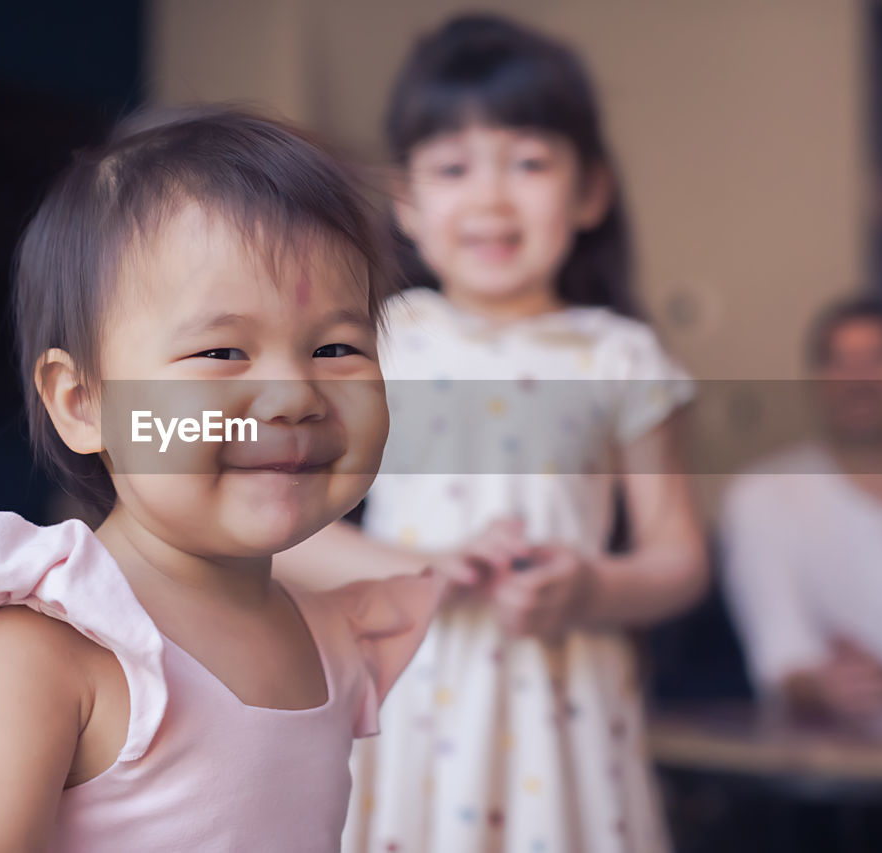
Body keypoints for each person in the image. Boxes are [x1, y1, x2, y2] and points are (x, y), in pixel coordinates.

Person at [0, 108, 479, 851]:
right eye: (222, 352)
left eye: (336, 347)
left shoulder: (333, 637)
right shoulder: (48, 649)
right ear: (83, 403)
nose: (296, 396)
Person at [276, 15, 707, 852]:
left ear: (590, 191)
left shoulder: (622, 356)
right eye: (452, 166)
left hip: (565, 707)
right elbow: (289, 532)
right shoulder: (379, 338)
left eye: (530, 161)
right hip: (406, 696)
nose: (490, 196)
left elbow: (679, 558)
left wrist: (591, 588)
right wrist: (425, 565)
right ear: (407, 201)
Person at [721, 298, 882, 725]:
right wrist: (832, 684)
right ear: (816, 380)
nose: (859, 380)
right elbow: (782, 660)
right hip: (819, 767)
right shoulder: (761, 496)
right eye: (840, 362)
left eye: (878, 359)